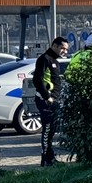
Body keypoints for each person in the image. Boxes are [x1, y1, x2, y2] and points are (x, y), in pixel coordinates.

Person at [32, 36, 69, 166]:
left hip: (54, 101)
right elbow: (37, 79)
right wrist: (47, 97)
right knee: (47, 130)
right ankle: (45, 159)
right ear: (54, 46)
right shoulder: (44, 59)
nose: (65, 51)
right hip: (46, 100)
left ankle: (50, 157)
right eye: (62, 48)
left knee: (52, 130)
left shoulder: (55, 61)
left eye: (66, 49)